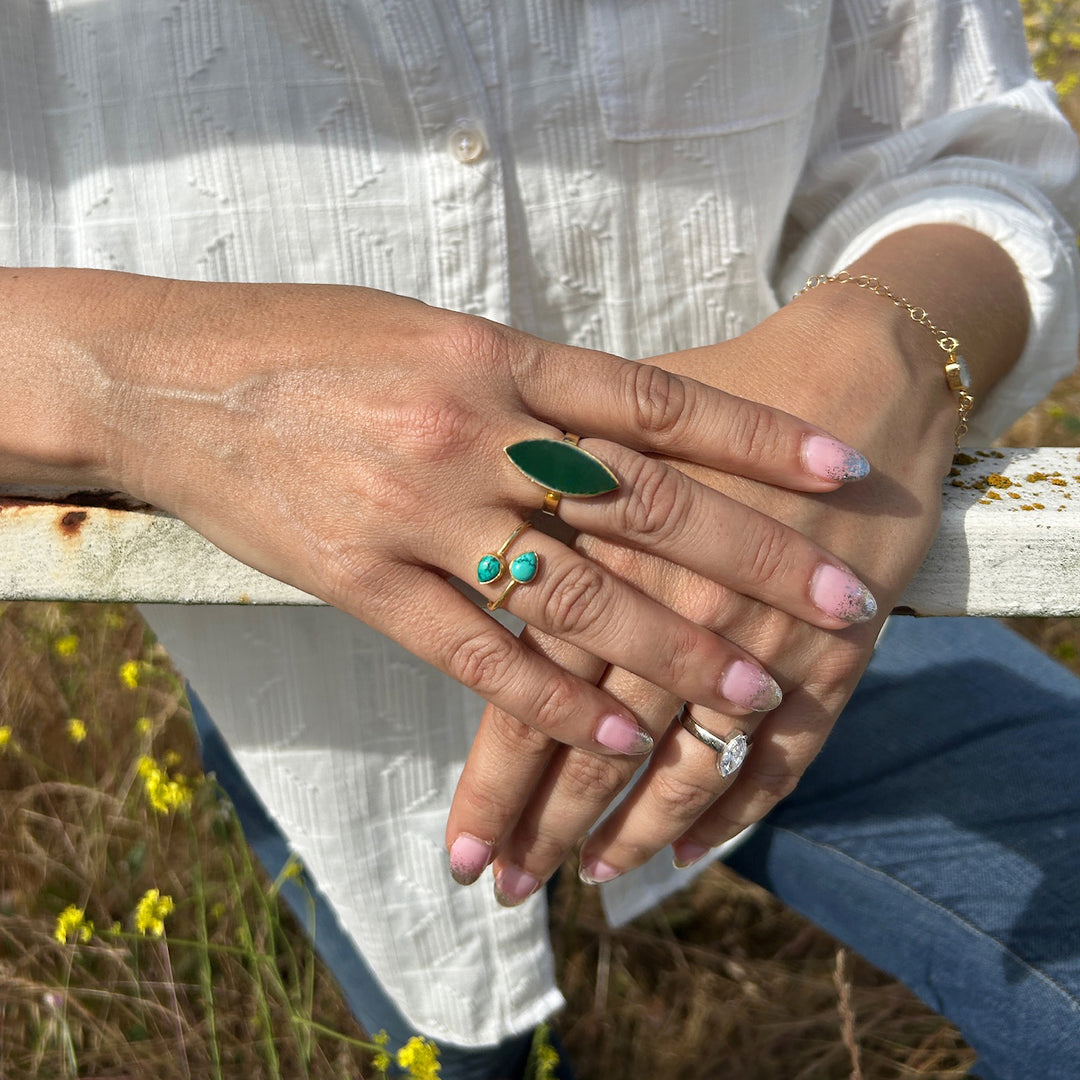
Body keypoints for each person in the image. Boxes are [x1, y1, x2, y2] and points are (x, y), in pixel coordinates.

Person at [1, 2, 1078, 1078]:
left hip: (791, 566)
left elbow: (978, 146)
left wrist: (886, 341)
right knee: (448, 1050)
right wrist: (141, 386)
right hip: (307, 681)